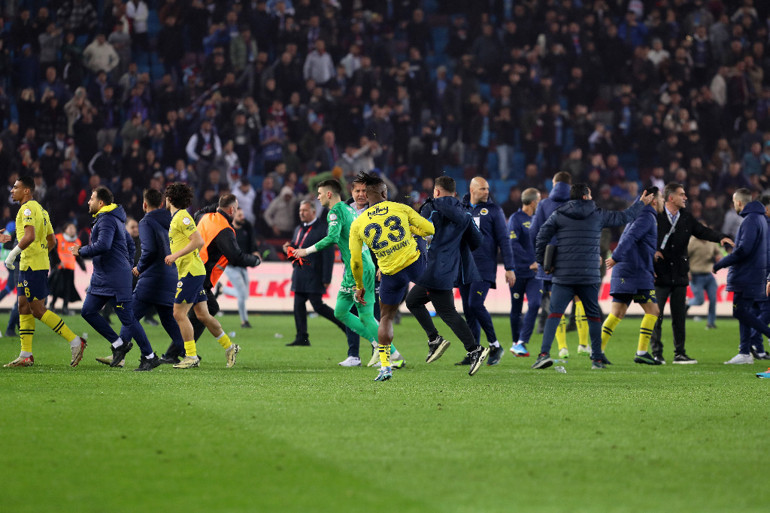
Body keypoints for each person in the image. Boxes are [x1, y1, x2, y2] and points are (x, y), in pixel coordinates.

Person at [532, 184, 654, 370]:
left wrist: (544, 263)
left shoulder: (559, 214)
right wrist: (641, 204)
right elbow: (625, 216)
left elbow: (541, 236)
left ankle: (543, 355)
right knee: (593, 316)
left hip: (563, 274)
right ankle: (596, 358)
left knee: (555, 314)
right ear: (586, 196)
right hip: (589, 275)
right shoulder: (598, 214)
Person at [294, 179, 397, 367]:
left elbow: (332, 237)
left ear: (328, 194)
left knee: (355, 313)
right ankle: (380, 346)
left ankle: (389, 350)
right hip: (362, 266)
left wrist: (305, 251)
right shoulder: (349, 210)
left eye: (319, 193)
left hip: (357, 267)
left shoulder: (335, 212)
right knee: (346, 312)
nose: (317, 197)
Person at [350, 172, 435, 381]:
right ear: (384, 192)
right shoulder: (400, 208)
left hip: (388, 273)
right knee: (421, 242)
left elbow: (356, 261)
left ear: (367, 196)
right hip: (413, 265)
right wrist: (412, 230)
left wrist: (359, 285)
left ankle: (385, 366)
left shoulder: (358, 223)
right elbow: (429, 229)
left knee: (385, 317)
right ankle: (435, 335)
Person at [406, 176, 489, 376]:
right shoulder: (465, 212)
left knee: (447, 312)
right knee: (413, 300)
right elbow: (477, 240)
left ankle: (473, 349)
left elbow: (421, 233)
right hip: (450, 268)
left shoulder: (431, 207)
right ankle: (435, 339)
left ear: (436, 191)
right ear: (454, 192)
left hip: (433, 267)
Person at [2, 176, 87, 368]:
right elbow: (52, 241)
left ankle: (75, 341)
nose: (11, 190)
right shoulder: (42, 210)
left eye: (15, 187)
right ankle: (25, 354)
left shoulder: (28, 209)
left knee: (38, 310)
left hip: (32, 266)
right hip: (32, 265)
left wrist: (12, 255)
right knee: (23, 306)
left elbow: (30, 236)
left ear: (26, 191)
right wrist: (39, 254)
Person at [94, 189, 184, 370]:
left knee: (130, 314)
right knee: (167, 318)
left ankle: (122, 355)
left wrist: (139, 267)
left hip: (152, 278)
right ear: (161, 203)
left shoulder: (147, 222)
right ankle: (189, 353)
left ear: (144, 204)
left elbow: (149, 251)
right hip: (170, 273)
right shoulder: (172, 220)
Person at [650, 183, 734, 364]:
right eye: (682, 194)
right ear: (671, 198)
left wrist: (720, 237)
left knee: (679, 317)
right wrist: (651, 257)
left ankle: (679, 353)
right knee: (656, 316)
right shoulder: (656, 216)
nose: (685, 197)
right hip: (660, 274)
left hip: (680, 274)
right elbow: (643, 240)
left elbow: (703, 232)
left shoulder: (687, 218)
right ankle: (656, 353)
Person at [71, 186, 152, 370]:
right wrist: (127, 263)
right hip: (104, 277)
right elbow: (131, 245)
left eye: (91, 199)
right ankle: (118, 344)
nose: (88, 202)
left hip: (114, 278)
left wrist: (81, 251)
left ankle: (149, 355)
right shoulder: (112, 219)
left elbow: (104, 245)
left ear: (101, 203)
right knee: (88, 311)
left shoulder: (107, 219)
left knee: (127, 318)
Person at [162, 184, 243, 369]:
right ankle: (230, 347)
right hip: (192, 271)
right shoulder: (176, 217)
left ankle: (190, 356)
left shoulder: (181, 217)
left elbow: (198, 241)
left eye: (166, 197)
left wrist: (175, 255)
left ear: (170, 199)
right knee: (203, 315)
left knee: (178, 313)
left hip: (191, 271)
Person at [600, 187, 664, 365]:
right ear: (653, 200)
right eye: (662, 199)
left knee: (617, 313)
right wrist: (615, 257)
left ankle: (598, 351)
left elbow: (639, 245)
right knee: (653, 311)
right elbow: (630, 238)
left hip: (630, 270)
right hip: (634, 272)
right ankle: (642, 352)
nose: (663, 202)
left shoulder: (640, 214)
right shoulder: (646, 216)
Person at [530, 171, 591, 358]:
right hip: (576, 260)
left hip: (551, 261)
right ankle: (583, 344)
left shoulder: (544, 204)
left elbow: (534, 231)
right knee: (580, 300)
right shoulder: (579, 205)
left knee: (556, 304)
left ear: (554, 183)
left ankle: (562, 347)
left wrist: (539, 257)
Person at [459, 177, 516, 366]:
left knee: (475, 304)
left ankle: (495, 345)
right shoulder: (462, 208)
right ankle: (474, 351)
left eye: (488, 189)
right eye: (483, 189)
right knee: (468, 310)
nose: (487, 192)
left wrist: (509, 268)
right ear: (472, 189)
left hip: (484, 266)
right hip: (464, 265)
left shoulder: (494, 211)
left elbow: (504, 240)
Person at [713, 189, 770, 364]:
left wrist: (722, 263)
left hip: (747, 274)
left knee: (740, 311)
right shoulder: (759, 218)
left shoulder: (751, 220)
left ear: (738, 202)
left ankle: (753, 345)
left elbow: (744, 249)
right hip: (754, 273)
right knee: (745, 311)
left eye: (734, 202)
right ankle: (745, 352)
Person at [283, 200, 347, 347]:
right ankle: (302, 337)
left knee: (318, 306)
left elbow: (329, 255)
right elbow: (296, 250)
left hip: (315, 275)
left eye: (305, 210)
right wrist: (288, 248)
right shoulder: (298, 229)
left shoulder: (323, 229)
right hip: (300, 274)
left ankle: (345, 326)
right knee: (298, 305)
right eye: (300, 210)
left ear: (313, 212)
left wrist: (326, 278)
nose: (301, 213)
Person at [508, 187, 542, 357]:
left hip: (535, 273)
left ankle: (521, 341)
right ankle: (516, 343)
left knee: (535, 303)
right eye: (539, 200)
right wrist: (530, 262)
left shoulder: (538, 219)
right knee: (516, 309)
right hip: (518, 272)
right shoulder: (516, 219)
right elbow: (512, 244)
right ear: (533, 202)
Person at [220, 207, 255, 328]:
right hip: (231, 266)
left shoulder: (246, 229)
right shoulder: (229, 231)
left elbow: (251, 244)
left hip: (243, 266)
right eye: (240, 215)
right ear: (233, 216)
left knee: (246, 295)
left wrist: (255, 253)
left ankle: (222, 290)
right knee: (241, 294)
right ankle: (244, 321)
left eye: (243, 215)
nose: (242, 218)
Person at [48, 222, 85, 315]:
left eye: (73, 228)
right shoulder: (58, 238)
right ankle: (52, 305)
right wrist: (56, 263)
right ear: (65, 229)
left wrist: (82, 265)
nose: (72, 230)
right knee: (57, 288)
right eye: (70, 228)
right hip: (60, 268)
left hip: (70, 268)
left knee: (68, 289)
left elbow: (77, 256)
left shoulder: (77, 241)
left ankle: (65, 308)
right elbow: (52, 252)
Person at [687, 229, 722, 330]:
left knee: (713, 299)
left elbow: (718, 252)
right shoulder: (692, 242)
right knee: (699, 300)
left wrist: (718, 256)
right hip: (695, 275)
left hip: (708, 274)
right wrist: (687, 272)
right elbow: (684, 256)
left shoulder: (711, 241)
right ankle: (687, 304)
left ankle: (711, 323)